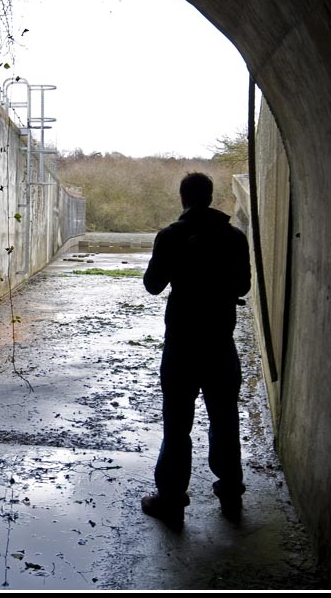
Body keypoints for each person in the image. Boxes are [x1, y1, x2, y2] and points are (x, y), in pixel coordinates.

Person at [141, 171, 251, 529]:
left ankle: (171, 500)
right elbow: (243, 286)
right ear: (210, 196)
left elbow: (153, 285)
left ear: (183, 198)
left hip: (183, 345)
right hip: (220, 342)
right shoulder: (234, 238)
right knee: (224, 418)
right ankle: (231, 494)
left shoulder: (171, 236)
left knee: (177, 424)